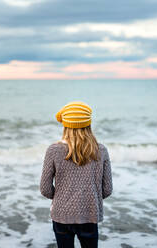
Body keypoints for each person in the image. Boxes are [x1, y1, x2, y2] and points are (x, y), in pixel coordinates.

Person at [40, 101, 113, 248]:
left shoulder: (53, 150)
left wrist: (62, 197)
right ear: (88, 124)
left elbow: (45, 189)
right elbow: (107, 190)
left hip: (61, 215)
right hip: (89, 214)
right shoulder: (101, 150)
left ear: (66, 126)